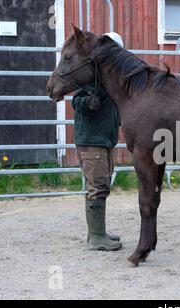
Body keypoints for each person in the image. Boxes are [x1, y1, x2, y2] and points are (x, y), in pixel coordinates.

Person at [72, 32, 124, 251]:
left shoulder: (108, 78)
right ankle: (95, 237)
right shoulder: (92, 76)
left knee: (101, 185)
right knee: (97, 187)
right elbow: (77, 99)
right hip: (92, 139)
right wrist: (87, 102)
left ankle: (97, 232)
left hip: (104, 139)